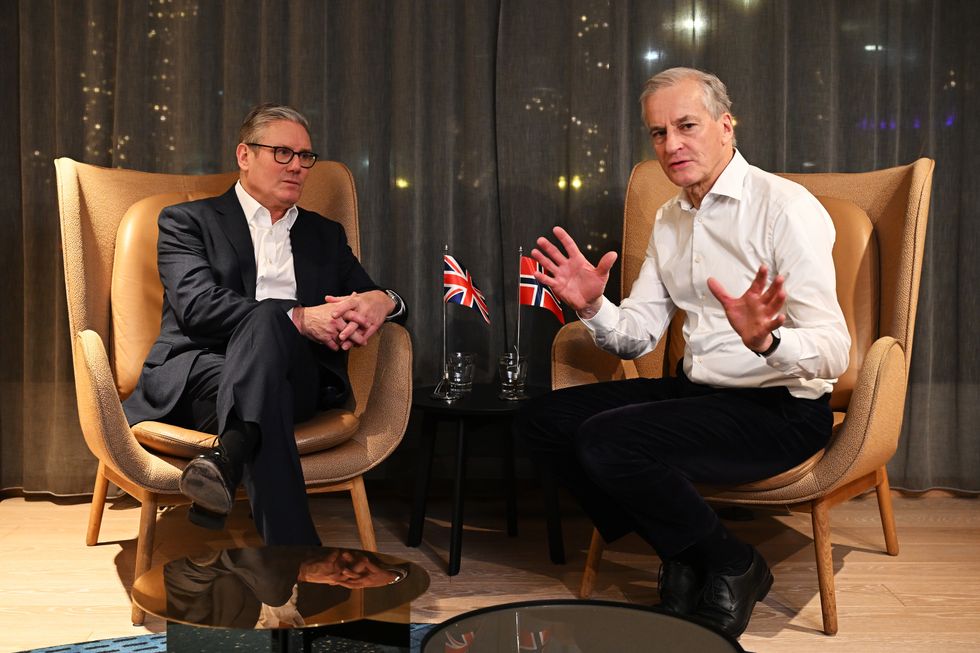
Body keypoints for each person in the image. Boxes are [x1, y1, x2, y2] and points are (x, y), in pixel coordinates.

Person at [518, 68, 850, 638]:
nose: (671, 145)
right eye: (657, 132)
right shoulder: (670, 218)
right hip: (699, 392)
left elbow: (833, 353)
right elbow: (640, 333)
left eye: (687, 126)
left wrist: (767, 340)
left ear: (726, 127)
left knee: (608, 440)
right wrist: (594, 306)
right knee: (542, 420)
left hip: (779, 408)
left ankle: (731, 564)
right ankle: (691, 551)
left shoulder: (784, 208)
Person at [123, 104, 405, 545]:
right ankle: (294, 555)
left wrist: (384, 300)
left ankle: (227, 457)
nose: (297, 165)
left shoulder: (323, 236)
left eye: (305, 156)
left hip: (300, 380)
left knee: (273, 334)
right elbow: (197, 307)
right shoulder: (188, 222)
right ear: (244, 155)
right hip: (202, 376)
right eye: (282, 152)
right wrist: (298, 317)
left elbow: (370, 298)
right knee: (272, 316)